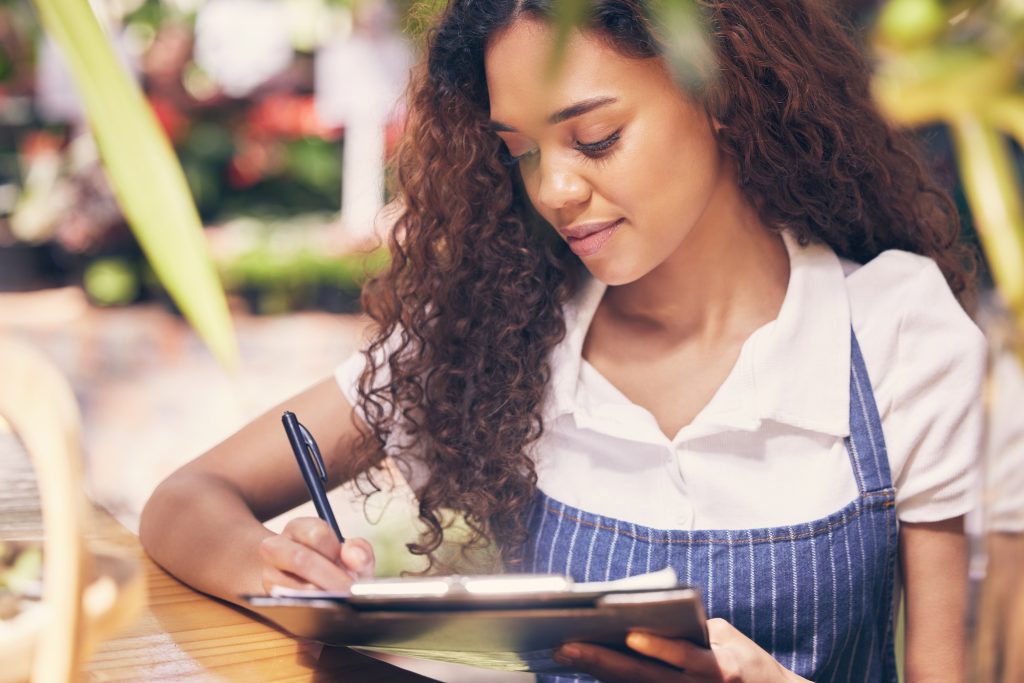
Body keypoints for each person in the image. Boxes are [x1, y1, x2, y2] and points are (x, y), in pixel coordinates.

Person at [140, 0, 986, 680]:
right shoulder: (500, 337)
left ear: (722, 91)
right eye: (520, 152)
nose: (555, 188)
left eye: (595, 138)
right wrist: (280, 571)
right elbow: (186, 498)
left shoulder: (891, 332)